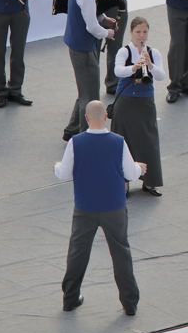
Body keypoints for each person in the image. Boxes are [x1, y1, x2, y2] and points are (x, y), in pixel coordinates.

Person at [55, 100, 145, 316]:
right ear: (106, 116)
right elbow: (130, 174)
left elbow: (63, 174)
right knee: (120, 252)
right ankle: (129, 302)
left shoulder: (75, 142)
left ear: (86, 118)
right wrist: (139, 168)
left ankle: (70, 297)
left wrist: (56, 166)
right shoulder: (118, 142)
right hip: (113, 206)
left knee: (78, 252)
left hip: (85, 207)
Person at [63, 0, 118, 141]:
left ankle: (71, 130)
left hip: (77, 43)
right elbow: (92, 27)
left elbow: (91, 13)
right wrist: (108, 32)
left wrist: (104, 18)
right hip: (84, 47)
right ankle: (84, 137)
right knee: (90, 96)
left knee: (83, 90)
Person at [111, 16, 166, 196]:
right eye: (138, 32)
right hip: (126, 102)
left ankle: (150, 181)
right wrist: (134, 68)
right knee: (123, 140)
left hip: (144, 101)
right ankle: (123, 182)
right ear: (131, 32)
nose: (141, 36)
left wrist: (149, 65)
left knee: (148, 141)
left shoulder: (153, 52)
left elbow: (161, 76)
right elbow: (118, 71)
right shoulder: (124, 51)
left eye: (144, 32)